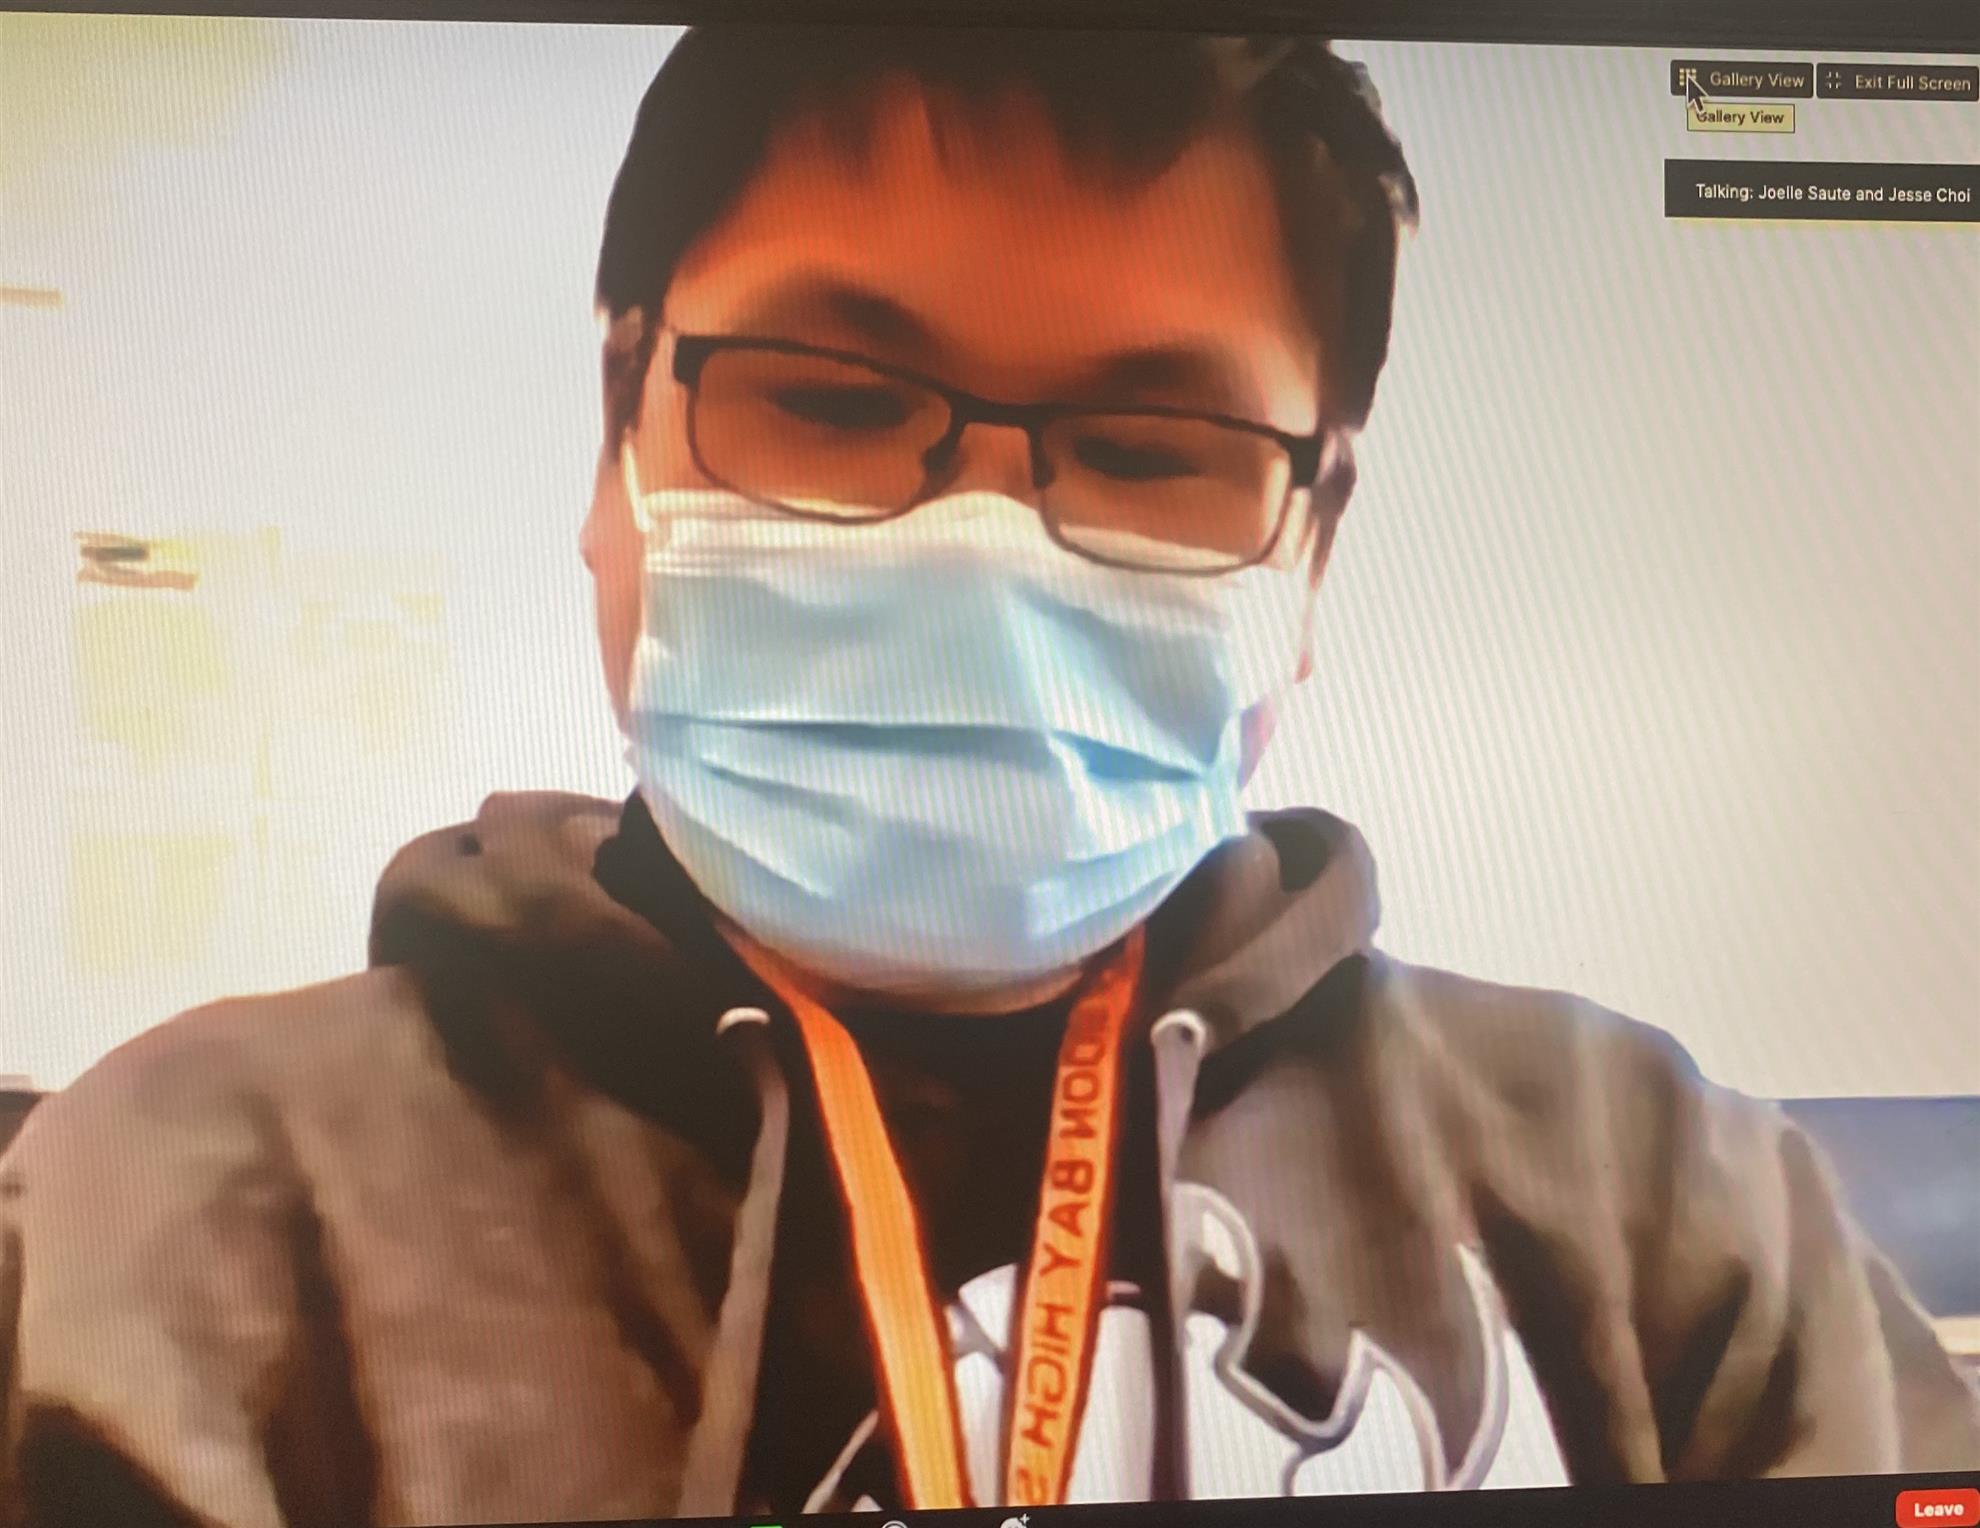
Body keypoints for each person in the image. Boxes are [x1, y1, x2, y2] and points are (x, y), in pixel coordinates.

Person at [2, 27, 1974, 1526]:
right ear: (620, 425)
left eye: (1152, 445)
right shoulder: (174, 1219)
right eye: (831, 399)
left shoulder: (1661, 1207)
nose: (978, 556)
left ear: (1313, 542)